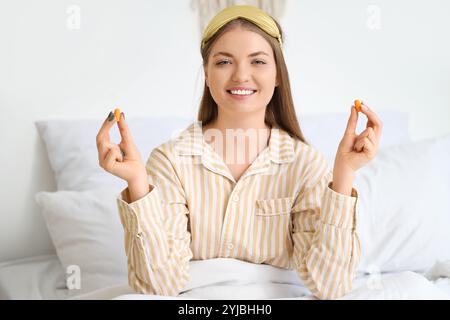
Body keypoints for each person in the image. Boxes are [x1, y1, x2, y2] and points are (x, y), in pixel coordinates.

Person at [95, 5, 382, 299]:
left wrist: (344, 176)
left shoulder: (304, 164)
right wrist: (138, 186)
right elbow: (160, 288)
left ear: (278, 75)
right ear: (207, 74)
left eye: (258, 61)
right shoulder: (171, 160)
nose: (241, 75)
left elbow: (330, 287)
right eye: (224, 62)